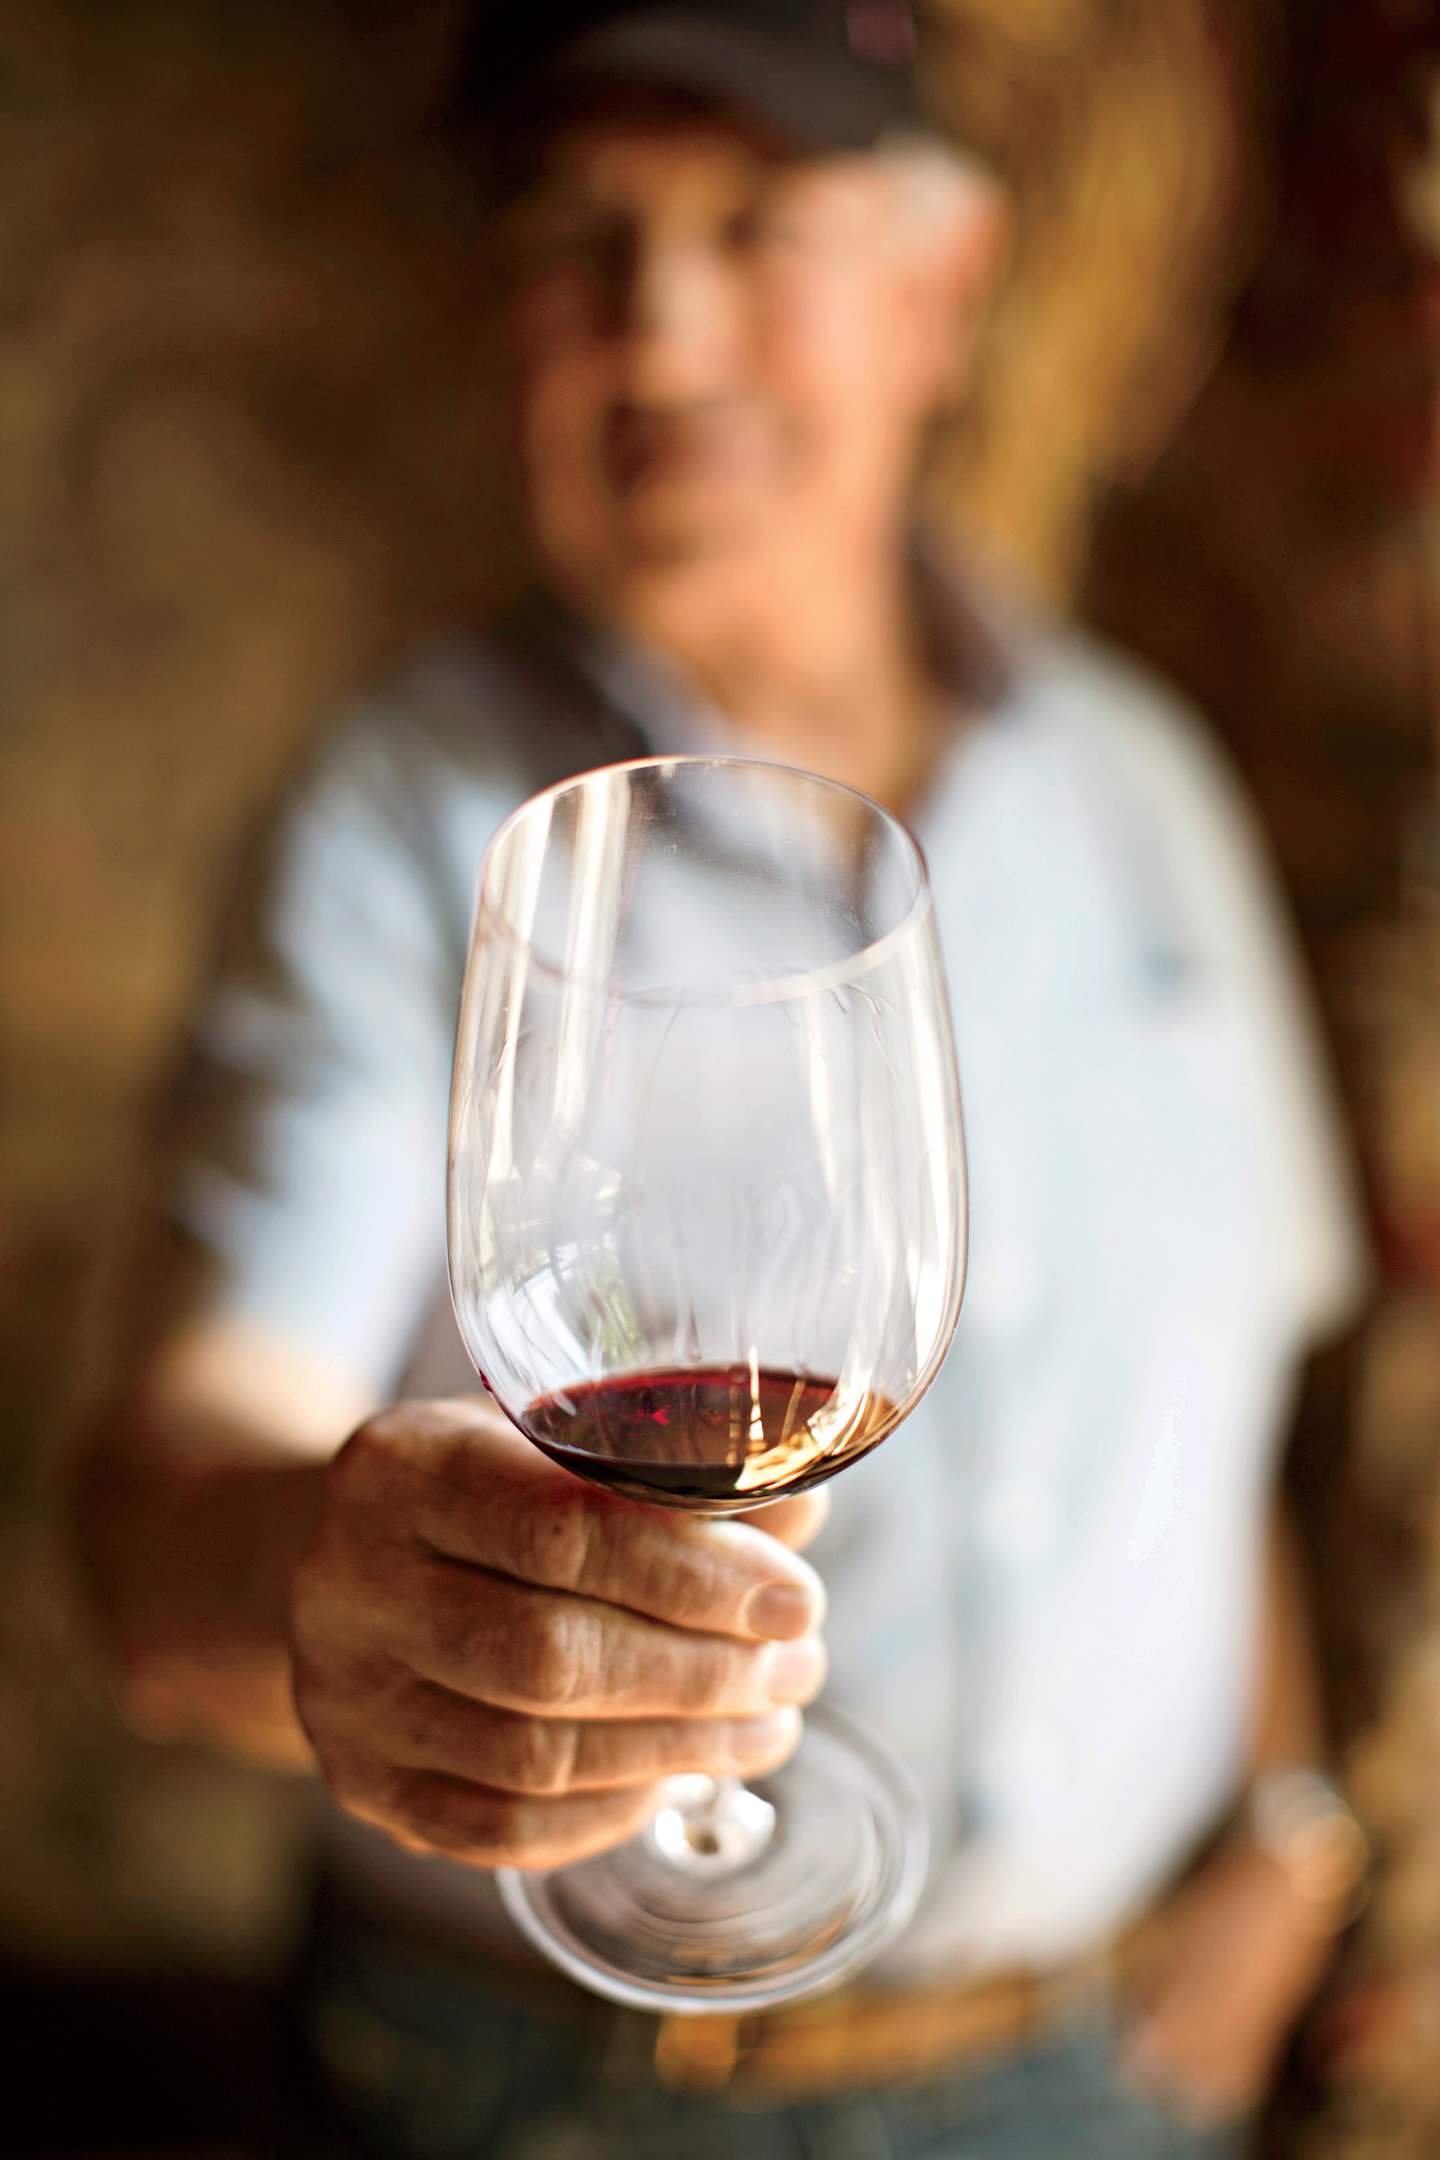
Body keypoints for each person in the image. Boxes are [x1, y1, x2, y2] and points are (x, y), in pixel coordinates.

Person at [74, 3, 1374, 2154]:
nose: (658, 336)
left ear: (942, 295)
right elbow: (163, 1512)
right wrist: (317, 1589)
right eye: (581, 239)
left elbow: (1225, 1402)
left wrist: (1291, 1844)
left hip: (1100, 2073)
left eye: (755, 223)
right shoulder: (410, 819)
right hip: (548, 2091)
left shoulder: (1138, 784)